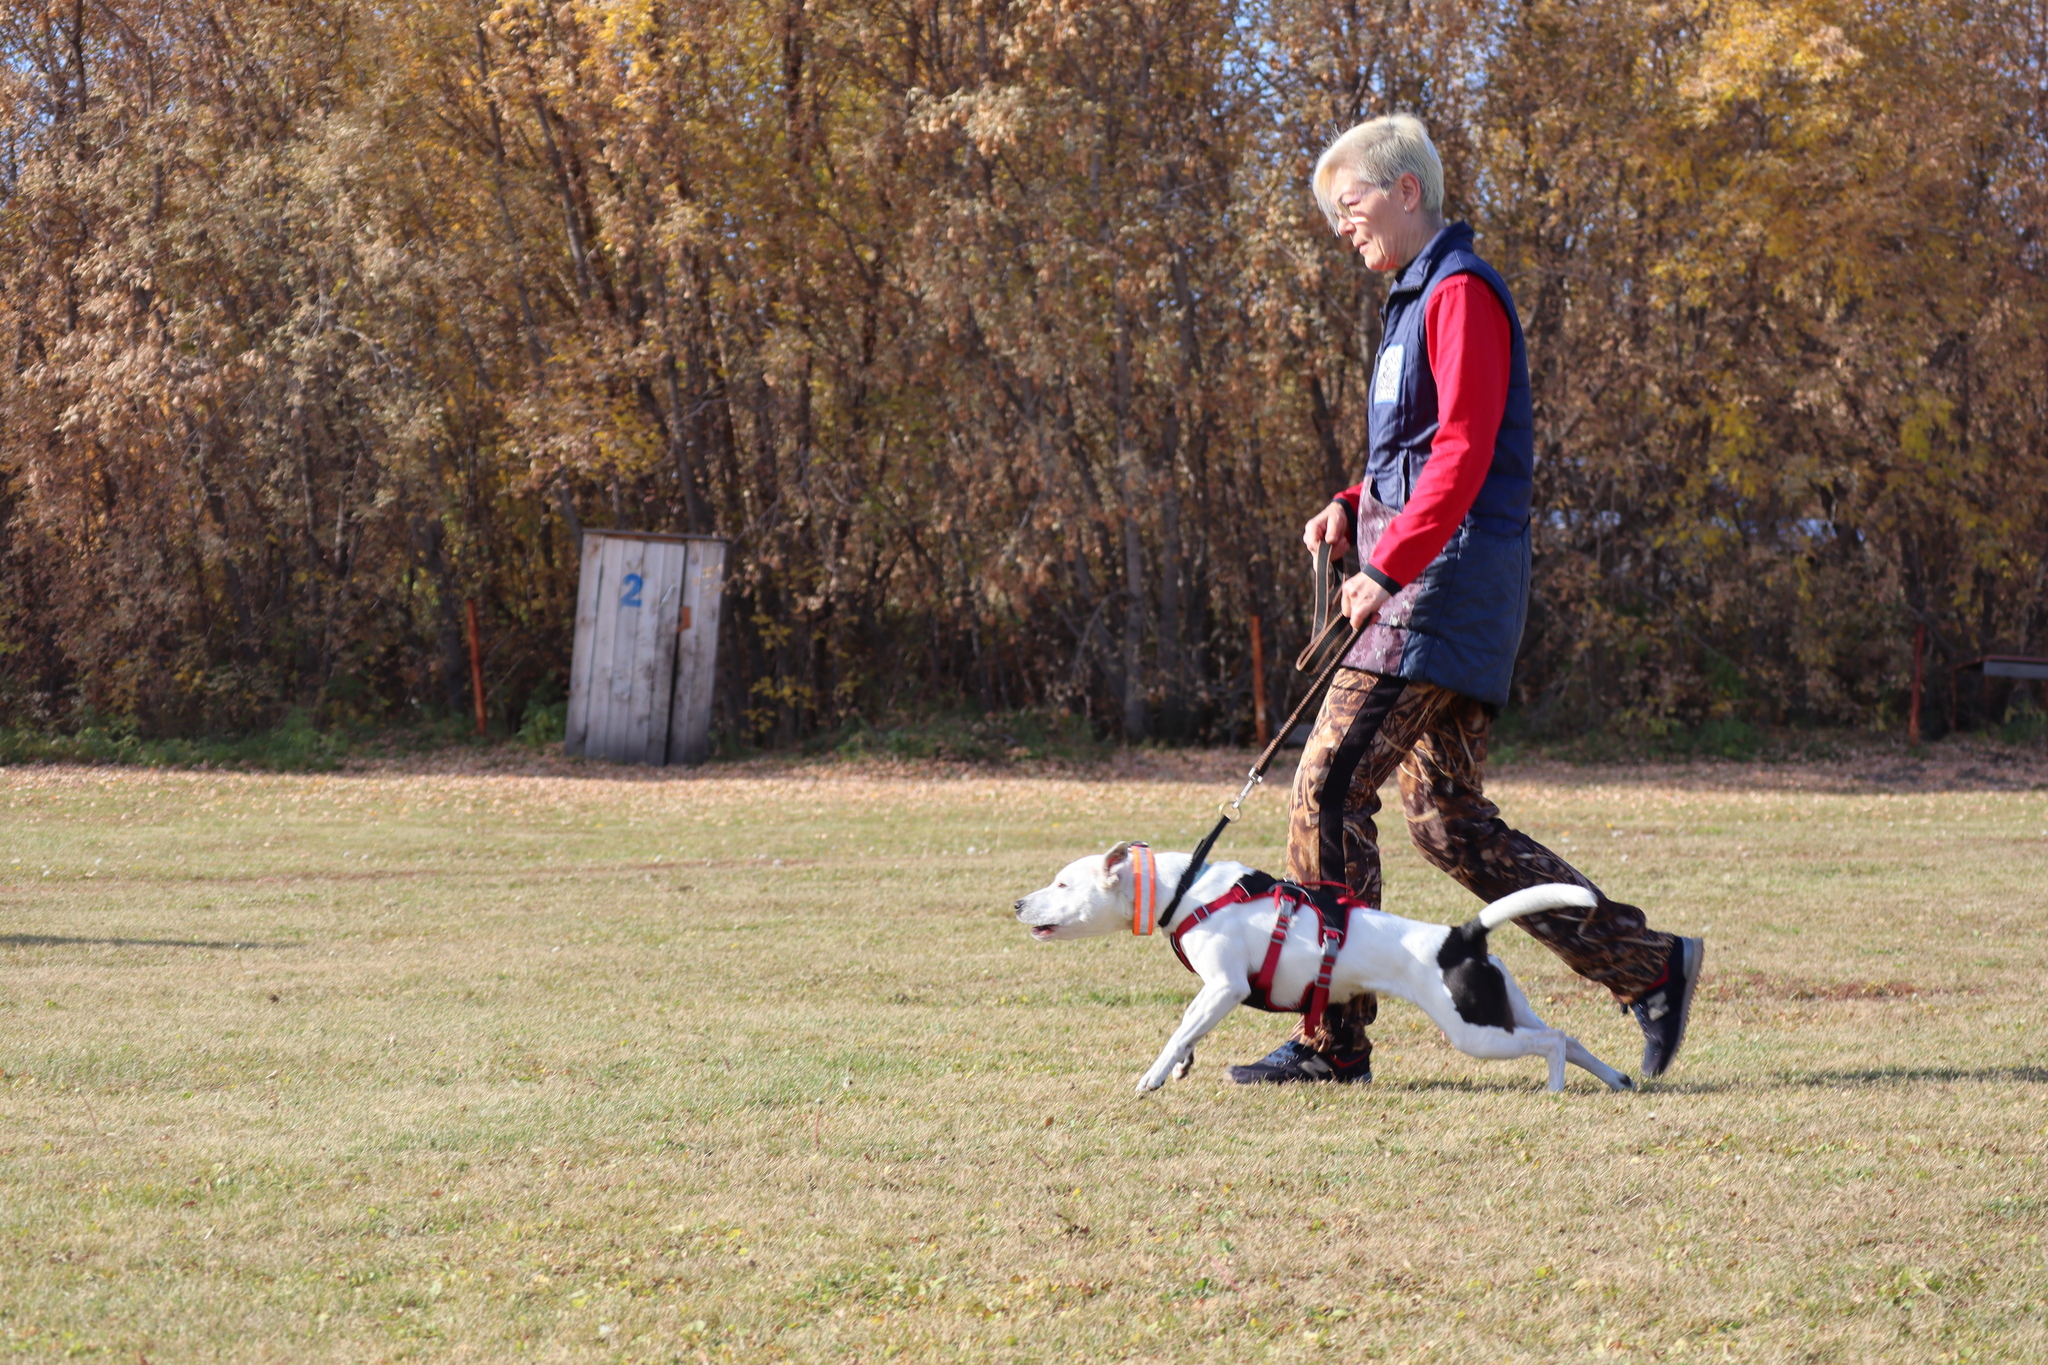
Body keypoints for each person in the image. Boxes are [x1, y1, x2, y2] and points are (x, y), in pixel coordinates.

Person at [1228, 115, 1703, 1086]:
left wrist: (1387, 564)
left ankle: (1332, 1041)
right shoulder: (1411, 302)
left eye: (1348, 203)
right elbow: (1415, 453)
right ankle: (1645, 965)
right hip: (1426, 581)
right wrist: (1351, 505)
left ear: (1405, 190)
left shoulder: (1458, 295)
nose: (1338, 225)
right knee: (1446, 821)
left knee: (1326, 788)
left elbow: (1464, 451)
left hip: (1438, 594)